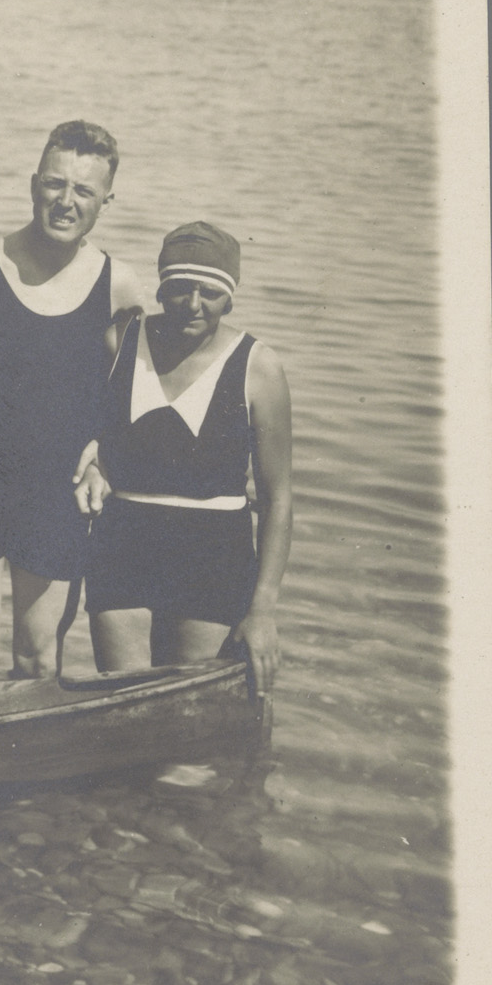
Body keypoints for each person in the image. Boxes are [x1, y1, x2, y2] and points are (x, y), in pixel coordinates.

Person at [0, 122, 150, 678]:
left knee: (37, 660)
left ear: (106, 200)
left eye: (84, 190)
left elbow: (134, 396)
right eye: (55, 184)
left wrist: (104, 456)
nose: (66, 201)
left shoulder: (119, 285)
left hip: (58, 495)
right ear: (34, 184)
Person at [74, 221, 291, 692]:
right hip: (123, 542)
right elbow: (86, 431)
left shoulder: (258, 367)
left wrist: (263, 610)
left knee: (191, 710)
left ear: (229, 298)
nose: (193, 304)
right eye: (179, 289)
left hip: (213, 554)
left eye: (209, 292)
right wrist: (92, 464)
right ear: (159, 289)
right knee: (124, 700)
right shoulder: (119, 343)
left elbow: (277, 499)